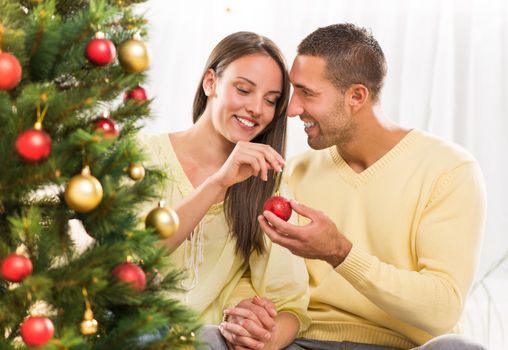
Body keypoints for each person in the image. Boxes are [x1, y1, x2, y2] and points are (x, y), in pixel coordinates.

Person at [222, 24, 487, 349]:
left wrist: (340, 253)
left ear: (356, 96)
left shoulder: (449, 170)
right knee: (211, 338)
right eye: (293, 92)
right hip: (302, 341)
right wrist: (248, 310)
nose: (291, 109)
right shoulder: (293, 172)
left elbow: (443, 309)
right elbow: (253, 270)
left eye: (307, 93)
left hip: (403, 345)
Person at [140, 31, 310, 350]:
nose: (256, 108)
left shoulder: (269, 185)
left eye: (271, 100)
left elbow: (291, 305)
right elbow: (132, 257)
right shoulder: (142, 157)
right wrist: (217, 183)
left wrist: (265, 339)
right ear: (210, 83)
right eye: (243, 89)